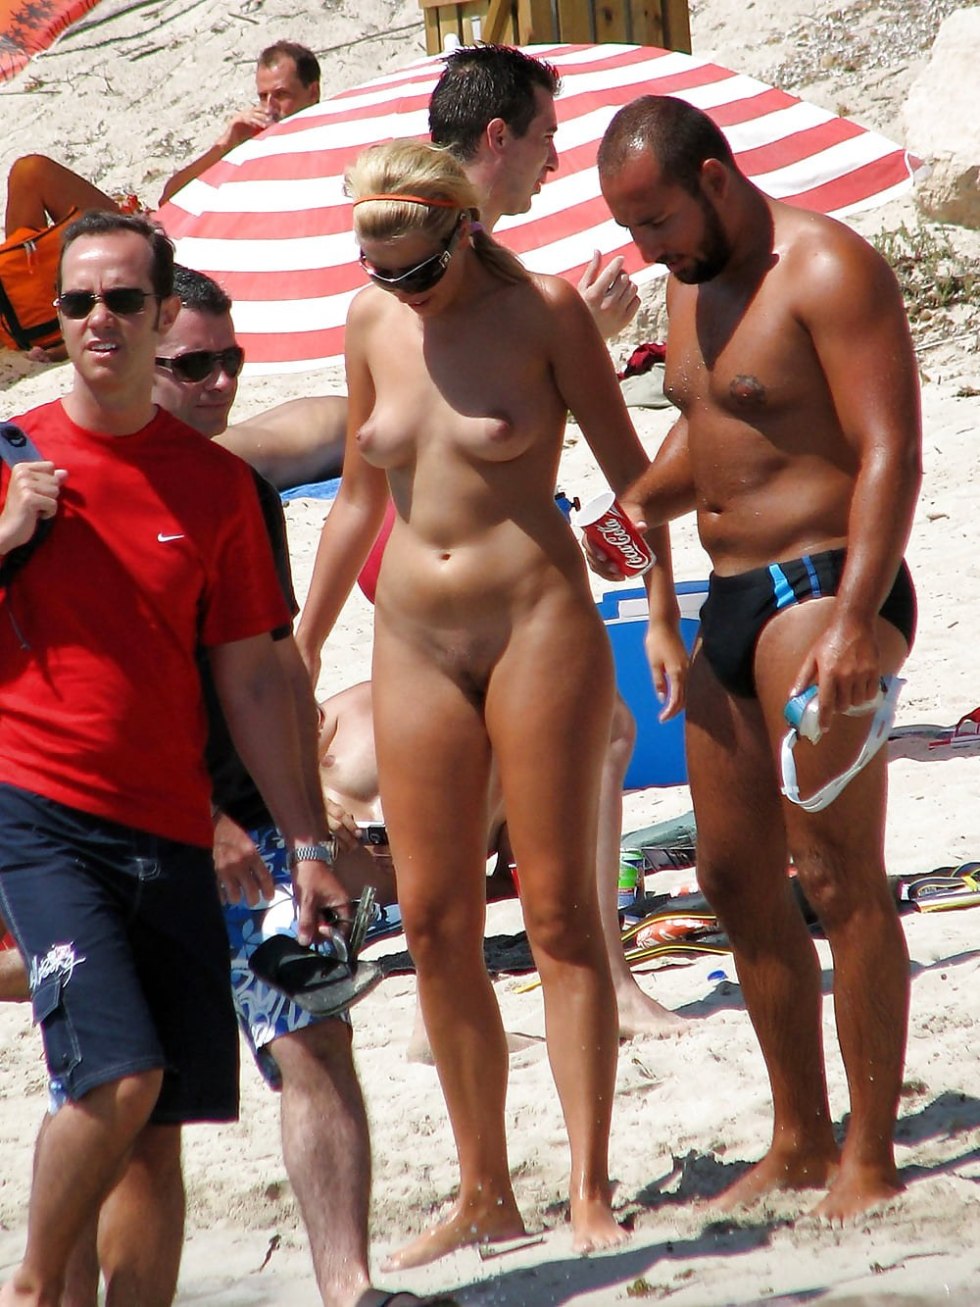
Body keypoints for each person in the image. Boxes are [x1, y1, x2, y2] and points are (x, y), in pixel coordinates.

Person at [293, 137, 687, 1271]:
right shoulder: (374, 322)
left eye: (415, 267)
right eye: (379, 270)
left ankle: (587, 1184)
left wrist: (656, 612)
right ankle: (484, 1191)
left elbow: (631, 473)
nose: (399, 290)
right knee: (432, 924)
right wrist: (306, 637)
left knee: (560, 917)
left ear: (463, 224)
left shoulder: (546, 312)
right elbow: (360, 495)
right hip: (411, 632)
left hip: (537, 622)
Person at [0, 211, 350, 1307]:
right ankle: (31, 1283)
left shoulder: (213, 487)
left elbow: (254, 677)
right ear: (55, 324)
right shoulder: (9, 456)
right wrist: (7, 535)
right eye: (77, 302)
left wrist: (307, 841)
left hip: (172, 825)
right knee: (119, 1074)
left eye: (122, 300)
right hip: (41, 814)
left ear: (162, 316)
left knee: (154, 1135)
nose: (100, 318)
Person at [596, 95, 922, 1222]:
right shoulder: (689, 287)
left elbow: (889, 448)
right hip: (724, 597)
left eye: (655, 222)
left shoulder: (827, 268)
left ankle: (869, 1149)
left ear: (716, 179)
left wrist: (850, 616)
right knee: (738, 883)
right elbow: (719, 427)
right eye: (632, 230)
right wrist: (641, 497)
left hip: (825, 582)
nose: (647, 251)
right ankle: (796, 1136)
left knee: (837, 875)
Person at [159, 41, 322, 205]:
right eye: (263, 97)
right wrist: (226, 144)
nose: (269, 107)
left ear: (313, 92)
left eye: (281, 94)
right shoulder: (257, 145)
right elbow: (169, 201)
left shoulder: (332, 138)